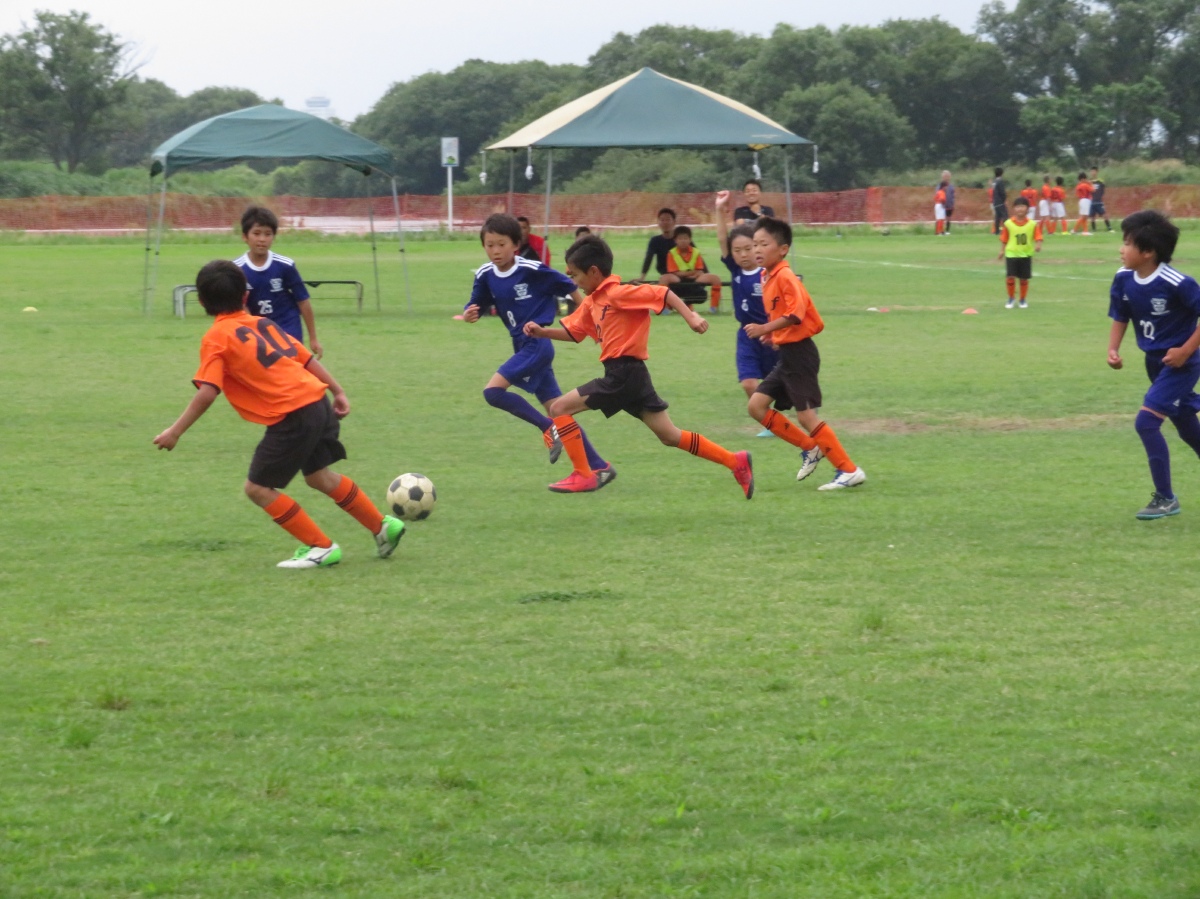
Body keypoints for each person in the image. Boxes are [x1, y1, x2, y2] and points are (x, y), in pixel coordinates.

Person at [152, 260, 404, 569]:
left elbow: (208, 391)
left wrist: (175, 432)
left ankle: (320, 547)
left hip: (293, 414)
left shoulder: (216, 337)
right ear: (245, 296)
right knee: (319, 476)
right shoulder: (263, 323)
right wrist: (337, 390)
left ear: (202, 301)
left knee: (257, 489)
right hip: (318, 401)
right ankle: (382, 526)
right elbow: (305, 358)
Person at [523, 235, 755, 498]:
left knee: (559, 408)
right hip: (630, 376)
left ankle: (584, 474)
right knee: (670, 436)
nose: (574, 283)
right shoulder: (592, 301)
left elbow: (663, 292)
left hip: (624, 374)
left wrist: (691, 316)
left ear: (594, 271)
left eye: (575, 275)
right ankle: (735, 461)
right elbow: (575, 333)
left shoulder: (617, 293)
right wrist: (543, 332)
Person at [462, 214, 614, 491]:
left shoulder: (532, 269)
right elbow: (476, 304)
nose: (495, 251)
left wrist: (589, 320)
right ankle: (599, 466)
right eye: (489, 245)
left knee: (492, 392)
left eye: (501, 244)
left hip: (537, 343)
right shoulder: (485, 274)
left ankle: (547, 427)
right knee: (559, 410)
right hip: (521, 345)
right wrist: (470, 313)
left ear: (515, 244)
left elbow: (571, 287)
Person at [744, 216, 866, 490]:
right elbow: (785, 317)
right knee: (756, 406)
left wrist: (765, 328)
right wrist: (773, 335)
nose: (757, 250)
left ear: (783, 249)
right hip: (788, 355)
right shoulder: (767, 276)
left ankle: (848, 470)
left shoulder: (785, 276)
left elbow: (796, 314)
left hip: (800, 355)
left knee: (807, 416)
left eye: (764, 244)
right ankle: (811, 447)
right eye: (754, 245)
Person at [1107, 210, 1200, 520]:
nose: (1121, 249)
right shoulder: (1123, 278)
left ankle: (1165, 498)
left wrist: (1185, 350)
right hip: (1155, 363)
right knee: (1186, 425)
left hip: (1181, 365)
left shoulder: (1177, 282)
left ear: (1148, 252)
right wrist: (1113, 349)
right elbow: (1121, 314)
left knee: (1146, 422)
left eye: (1127, 243)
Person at [716, 190, 777, 437]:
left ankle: (805, 407)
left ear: (758, 247)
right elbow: (722, 238)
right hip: (746, 335)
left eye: (747, 249)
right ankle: (770, 424)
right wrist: (719, 209)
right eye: (737, 250)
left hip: (772, 334)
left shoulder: (768, 272)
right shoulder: (735, 269)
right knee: (749, 383)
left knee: (782, 383)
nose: (742, 254)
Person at [235, 206, 322, 359]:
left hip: (288, 326)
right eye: (256, 233)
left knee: (292, 368)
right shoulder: (237, 270)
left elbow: (303, 301)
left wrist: (313, 338)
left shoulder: (285, 265)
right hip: (259, 331)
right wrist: (253, 330)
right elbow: (241, 306)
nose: (262, 239)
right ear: (245, 236)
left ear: (274, 237)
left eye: (268, 234)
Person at [660, 225, 724, 314]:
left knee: (715, 279)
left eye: (685, 238)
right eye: (680, 239)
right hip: (678, 278)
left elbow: (700, 270)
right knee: (664, 278)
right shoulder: (671, 253)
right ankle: (665, 308)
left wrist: (694, 273)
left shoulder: (696, 252)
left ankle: (714, 308)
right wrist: (691, 273)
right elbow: (674, 272)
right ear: (675, 240)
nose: (683, 241)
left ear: (690, 240)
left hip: (694, 277)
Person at [998, 197, 1043, 309]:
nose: (1020, 209)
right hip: (1011, 254)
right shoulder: (1008, 223)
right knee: (1010, 277)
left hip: (1026, 254)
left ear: (1027, 209)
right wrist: (1002, 250)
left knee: (1024, 278)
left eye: (1023, 206)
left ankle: (1022, 299)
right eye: (1018, 207)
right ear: (1014, 209)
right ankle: (1011, 298)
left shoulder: (1032, 224)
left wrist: (1038, 245)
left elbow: (1038, 236)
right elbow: (1004, 238)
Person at [638, 208, 678, 281]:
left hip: (682, 275)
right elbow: (648, 258)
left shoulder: (682, 239)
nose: (665, 222)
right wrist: (642, 277)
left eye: (668, 220)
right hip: (665, 275)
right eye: (662, 220)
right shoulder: (655, 241)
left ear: (674, 222)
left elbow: (696, 255)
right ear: (658, 223)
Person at [1090, 167, 1113, 232]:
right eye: (1092, 171)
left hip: (1099, 201)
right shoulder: (1089, 182)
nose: (1093, 173)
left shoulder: (1101, 181)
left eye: (1094, 171)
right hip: (1092, 201)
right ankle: (1094, 230)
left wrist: (1100, 196)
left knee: (1104, 215)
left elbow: (1103, 190)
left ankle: (1109, 228)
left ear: (1097, 172)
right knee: (1092, 216)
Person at [991, 167, 1008, 235]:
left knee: (997, 217)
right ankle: (1007, 230)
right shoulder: (1000, 181)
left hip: (995, 201)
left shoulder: (994, 182)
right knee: (1005, 216)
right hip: (1000, 201)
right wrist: (1004, 199)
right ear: (1002, 173)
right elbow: (1002, 192)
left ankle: (997, 231)